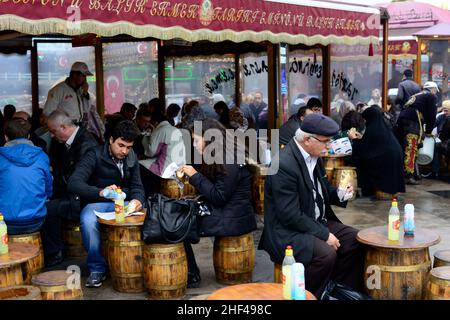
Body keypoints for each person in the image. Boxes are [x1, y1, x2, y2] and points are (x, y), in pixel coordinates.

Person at [258, 113, 365, 298]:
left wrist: (340, 194)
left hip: (313, 222)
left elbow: (322, 190)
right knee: (326, 254)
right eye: (326, 141)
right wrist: (324, 235)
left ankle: (335, 290)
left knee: (356, 240)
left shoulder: (314, 155)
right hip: (286, 231)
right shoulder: (283, 164)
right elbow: (289, 215)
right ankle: (307, 295)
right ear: (307, 139)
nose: (329, 145)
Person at [179, 118, 257, 288]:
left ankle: (191, 276)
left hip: (233, 218)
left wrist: (194, 176)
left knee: (177, 225)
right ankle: (190, 273)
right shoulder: (222, 154)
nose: (194, 145)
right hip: (229, 212)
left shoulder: (229, 159)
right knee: (178, 216)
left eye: (196, 140)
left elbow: (219, 196)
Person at [67, 120, 145, 288]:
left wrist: (138, 200)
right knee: (87, 219)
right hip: (99, 204)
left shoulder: (131, 157)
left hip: (125, 204)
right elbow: (74, 183)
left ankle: (136, 265)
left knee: (150, 215)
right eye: (121, 145)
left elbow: (137, 186)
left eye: (129, 147)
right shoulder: (94, 154)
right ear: (110, 140)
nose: (124, 151)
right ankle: (97, 269)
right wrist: (100, 192)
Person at [42, 110, 98, 266]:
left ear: (63, 127)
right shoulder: (73, 140)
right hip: (75, 193)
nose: (52, 136)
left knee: (47, 209)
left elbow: (76, 180)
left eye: (53, 131)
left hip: (83, 199)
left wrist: (53, 182)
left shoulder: (86, 144)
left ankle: (55, 253)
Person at [0, 118, 52, 235]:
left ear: (6, 137)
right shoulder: (42, 156)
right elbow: (48, 190)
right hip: (35, 221)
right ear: (29, 136)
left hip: (4, 222)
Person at [350, 106, 405, 197]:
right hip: (392, 160)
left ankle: (369, 189)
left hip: (385, 162)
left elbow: (364, 152)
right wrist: (361, 138)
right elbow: (372, 146)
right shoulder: (383, 127)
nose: (365, 122)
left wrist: (354, 139)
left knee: (360, 161)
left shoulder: (372, 128)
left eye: (365, 120)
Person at [396, 81, 439, 185]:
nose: (436, 93)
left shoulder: (417, 95)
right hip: (413, 120)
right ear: (433, 89)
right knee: (411, 147)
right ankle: (408, 176)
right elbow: (432, 115)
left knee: (405, 147)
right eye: (435, 91)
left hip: (403, 119)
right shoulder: (430, 96)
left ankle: (412, 173)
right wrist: (428, 131)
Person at [140, 110, 186, 178]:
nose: (148, 124)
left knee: (138, 164)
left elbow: (150, 152)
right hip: (180, 168)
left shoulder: (160, 130)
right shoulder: (174, 129)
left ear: (155, 122)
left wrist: (144, 139)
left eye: (150, 122)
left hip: (165, 169)